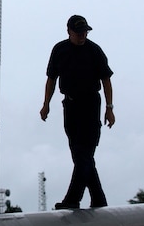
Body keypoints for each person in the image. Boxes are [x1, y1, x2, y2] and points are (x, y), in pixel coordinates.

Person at [39, 15, 115, 209]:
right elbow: (51, 79)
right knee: (80, 155)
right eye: (79, 32)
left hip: (91, 105)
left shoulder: (94, 51)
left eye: (85, 32)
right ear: (69, 31)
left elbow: (106, 80)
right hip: (71, 106)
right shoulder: (60, 50)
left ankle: (72, 200)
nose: (82, 36)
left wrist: (109, 108)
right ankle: (98, 198)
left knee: (84, 153)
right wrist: (46, 104)